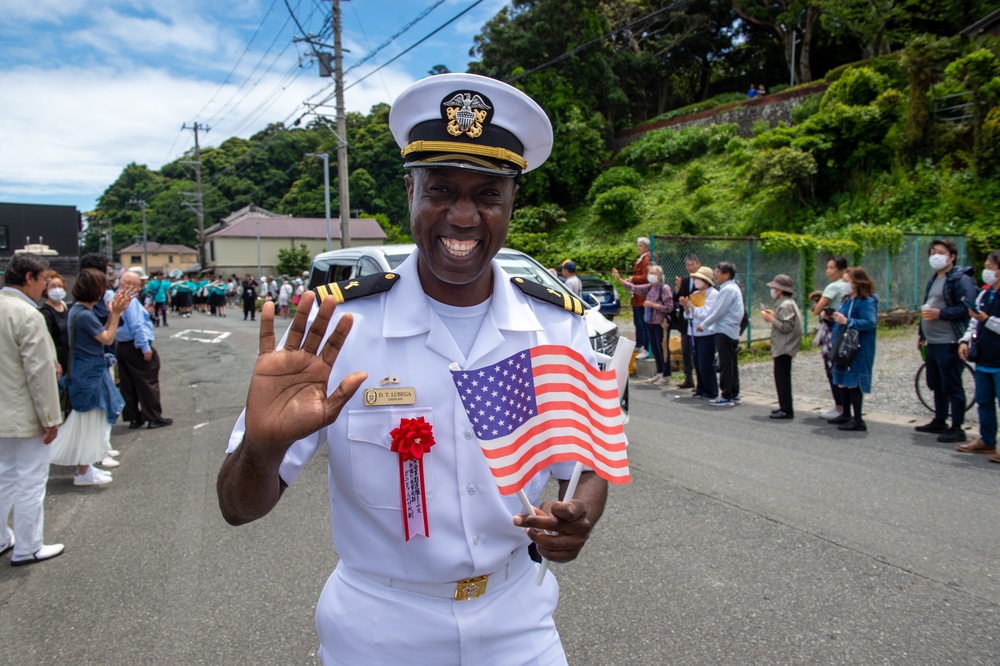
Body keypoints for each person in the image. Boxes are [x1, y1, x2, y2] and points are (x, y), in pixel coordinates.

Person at [217, 73, 609, 665]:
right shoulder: (339, 332)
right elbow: (236, 506)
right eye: (441, 190)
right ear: (409, 192)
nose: (462, 214)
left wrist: (581, 515)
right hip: (379, 626)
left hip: (519, 621)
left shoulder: (558, 327)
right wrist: (263, 448)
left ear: (511, 203)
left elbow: (587, 465)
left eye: (486, 194)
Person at [0, 253, 65, 566]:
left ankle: (2, 537)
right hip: (25, 413)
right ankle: (28, 546)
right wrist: (51, 418)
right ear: (28, 278)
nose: (44, 287)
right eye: (42, 280)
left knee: (4, 478)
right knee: (30, 479)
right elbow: (40, 372)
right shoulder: (27, 315)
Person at [48, 269, 132, 486]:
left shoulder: (77, 311)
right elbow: (107, 338)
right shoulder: (84, 314)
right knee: (89, 422)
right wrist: (115, 314)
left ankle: (86, 467)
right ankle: (84, 470)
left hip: (84, 371)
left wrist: (114, 314)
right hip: (89, 374)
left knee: (88, 421)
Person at [915, 239, 978, 444]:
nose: (935, 256)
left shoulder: (960, 279)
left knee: (952, 384)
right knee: (936, 383)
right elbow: (927, 307)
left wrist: (941, 313)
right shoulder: (934, 279)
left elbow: (966, 308)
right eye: (932, 252)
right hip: (932, 341)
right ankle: (939, 419)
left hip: (950, 340)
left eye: (940, 252)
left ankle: (957, 427)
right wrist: (922, 335)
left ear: (951, 256)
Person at [115, 270, 173, 430]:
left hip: (122, 345)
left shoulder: (114, 297)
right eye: (138, 284)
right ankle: (152, 416)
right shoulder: (130, 300)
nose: (141, 287)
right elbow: (137, 325)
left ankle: (133, 417)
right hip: (135, 345)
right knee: (147, 381)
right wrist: (145, 347)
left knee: (128, 383)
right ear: (129, 285)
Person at [957, 250, 1000, 457]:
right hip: (983, 358)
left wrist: (986, 320)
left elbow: (983, 320)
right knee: (984, 401)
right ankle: (987, 440)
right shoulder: (984, 294)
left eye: (990, 267)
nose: (986, 271)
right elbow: (974, 322)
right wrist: (965, 340)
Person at [827, 267, 879, 432]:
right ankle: (846, 415)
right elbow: (840, 320)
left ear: (858, 283)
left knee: (853, 382)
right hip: (842, 345)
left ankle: (857, 419)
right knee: (842, 380)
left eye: (848, 281)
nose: (845, 285)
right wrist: (831, 318)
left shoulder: (867, 301)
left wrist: (848, 321)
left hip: (857, 347)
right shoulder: (847, 300)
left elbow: (870, 322)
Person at [613, 264, 673, 384]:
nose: (651, 276)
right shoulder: (650, 287)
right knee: (655, 348)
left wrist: (653, 305)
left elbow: (669, 307)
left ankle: (666, 375)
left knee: (662, 349)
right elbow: (635, 288)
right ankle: (659, 372)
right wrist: (620, 279)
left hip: (661, 323)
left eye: (654, 273)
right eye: (650, 273)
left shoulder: (664, 288)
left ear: (660, 276)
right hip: (650, 321)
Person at [698, 261, 745, 407]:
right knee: (731, 363)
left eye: (718, 272)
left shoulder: (727, 290)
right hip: (729, 330)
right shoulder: (731, 288)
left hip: (725, 330)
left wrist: (704, 324)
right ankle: (734, 393)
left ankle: (726, 395)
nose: (715, 274)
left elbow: (719, 311)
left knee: (726, 364)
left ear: (727, 274)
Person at [812, 256, 849, 420]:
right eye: (827, 267)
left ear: (841, 270)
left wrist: (819, 305)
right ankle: (845, 407)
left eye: (832, 268)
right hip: (846, 330)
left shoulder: (833, 287)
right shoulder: (849, 287)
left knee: (831, 368)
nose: (828, 271)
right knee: (842, 367)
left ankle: (839, 407)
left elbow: (817, 309)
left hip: (832, 330)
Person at [762, 274, 803, 419]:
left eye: (774, 288)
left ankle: (786, 409)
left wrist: (771, 319)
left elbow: (786, 326)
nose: (772, 291)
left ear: (780, 290)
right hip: (784, 346)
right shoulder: (787, 303)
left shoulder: (785, 305)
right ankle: (783, 406)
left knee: (782, 379)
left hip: (784, 347)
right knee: (781, 378)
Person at [679, 265, 718, 400]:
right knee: (697, 361)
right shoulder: (696, 294)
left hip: (707, 332)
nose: (696, 281)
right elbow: (687, 315)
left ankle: (711, 390)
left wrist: (691, 307)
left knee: (706, 362)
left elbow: (706, 313)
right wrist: (687, 307)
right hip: (694, 332)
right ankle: (701, 388)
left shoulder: (713, 294)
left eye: (699, 279)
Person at [672, 253, 701, 389]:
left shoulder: (702, 281)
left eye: (692, 265)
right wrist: (677, 289)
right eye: (687, 265)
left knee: (697, 351)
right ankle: (688, 377)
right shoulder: (684, 280)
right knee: (685, 351)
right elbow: (676, 298)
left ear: (698, 264)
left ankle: (701, 380)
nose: (690, 268)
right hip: (685, 320)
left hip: (697, 319)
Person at [39, 272, 70, 379]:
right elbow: (47, 340)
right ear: (46, 290)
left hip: (69, 361)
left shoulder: (64, 306)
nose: (57, 289)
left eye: (60, 286)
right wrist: (54, 362)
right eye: (53, 286)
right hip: (57, 363)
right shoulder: (45, 312)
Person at [623, 237, 651, 358]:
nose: (638, 248)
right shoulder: (642, 259)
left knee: (642, 323)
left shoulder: (647, 259)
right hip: (637, 296)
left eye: (640, 246)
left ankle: (645, 346)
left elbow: (645, 277)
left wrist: (633, 279)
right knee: (638, 322)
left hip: (642, 296)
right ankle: (640, 344)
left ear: (646, 247)